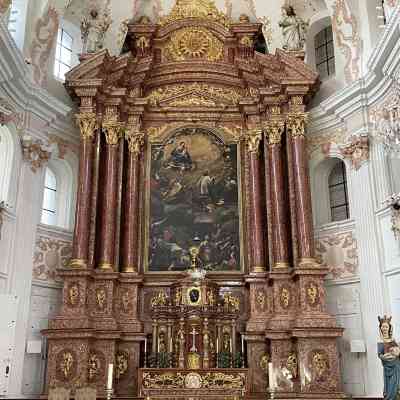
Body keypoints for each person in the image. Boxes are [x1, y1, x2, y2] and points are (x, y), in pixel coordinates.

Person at [378, 315, 400, 400]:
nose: (385, 328)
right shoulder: (380, 340)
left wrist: (397, 352)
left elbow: (398, 351)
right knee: (389, 384)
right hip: (387, 366)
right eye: (383, 326)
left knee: (396, 383)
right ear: (380, 328)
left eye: (386, 326)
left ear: (389, 327)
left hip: (396, 365)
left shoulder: (393, 340)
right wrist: (385, 357)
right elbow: (379, 354)